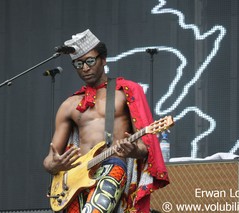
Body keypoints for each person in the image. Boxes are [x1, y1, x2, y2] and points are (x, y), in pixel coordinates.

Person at [43, 29, 169, 213]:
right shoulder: (69, 105)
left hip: (112, 166)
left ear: (103, 59)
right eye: (78, 64)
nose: (85, 68)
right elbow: (49, 159)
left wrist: (134, 150)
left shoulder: (126, 92)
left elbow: (145, 148)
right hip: (76, 176)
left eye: (90, 61)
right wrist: (53, 165)